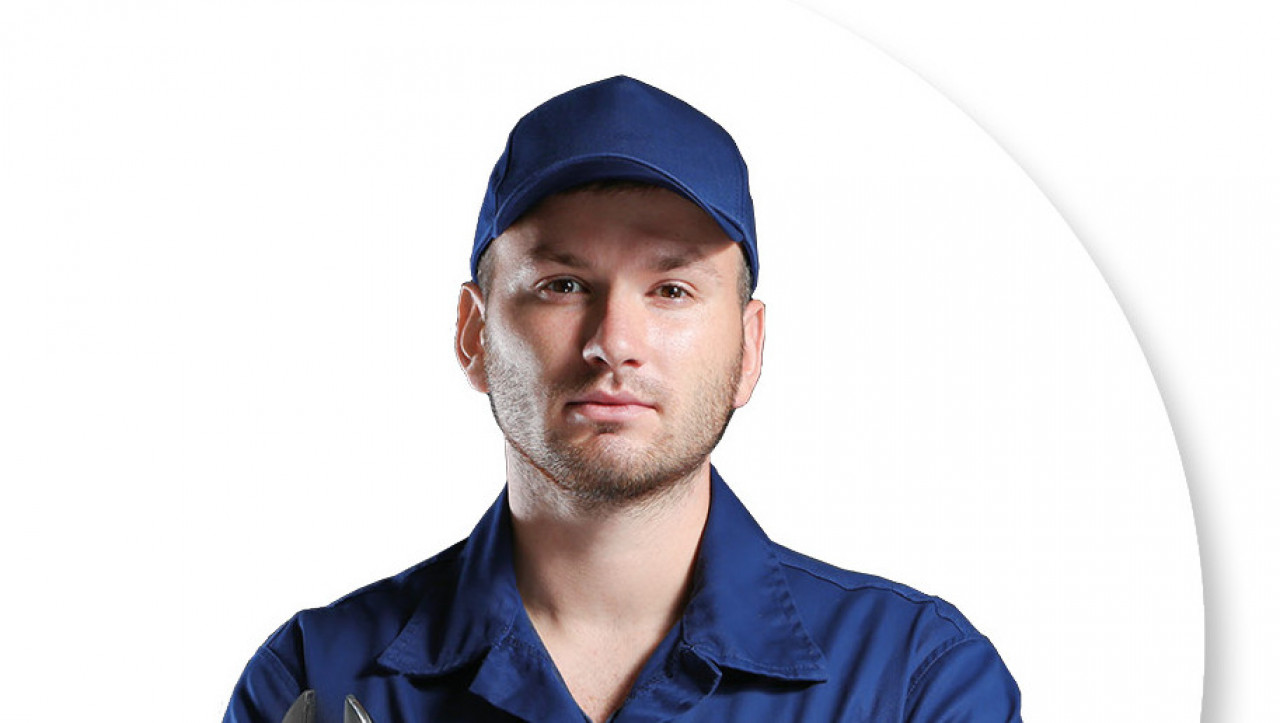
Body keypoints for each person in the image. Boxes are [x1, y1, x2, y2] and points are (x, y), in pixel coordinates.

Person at [223, 75, 1022, 723]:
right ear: (474, 333)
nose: (614, 340)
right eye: (562, 284)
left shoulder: (913, 683)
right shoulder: (316, 680)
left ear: (749, 348)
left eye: (671, 289)